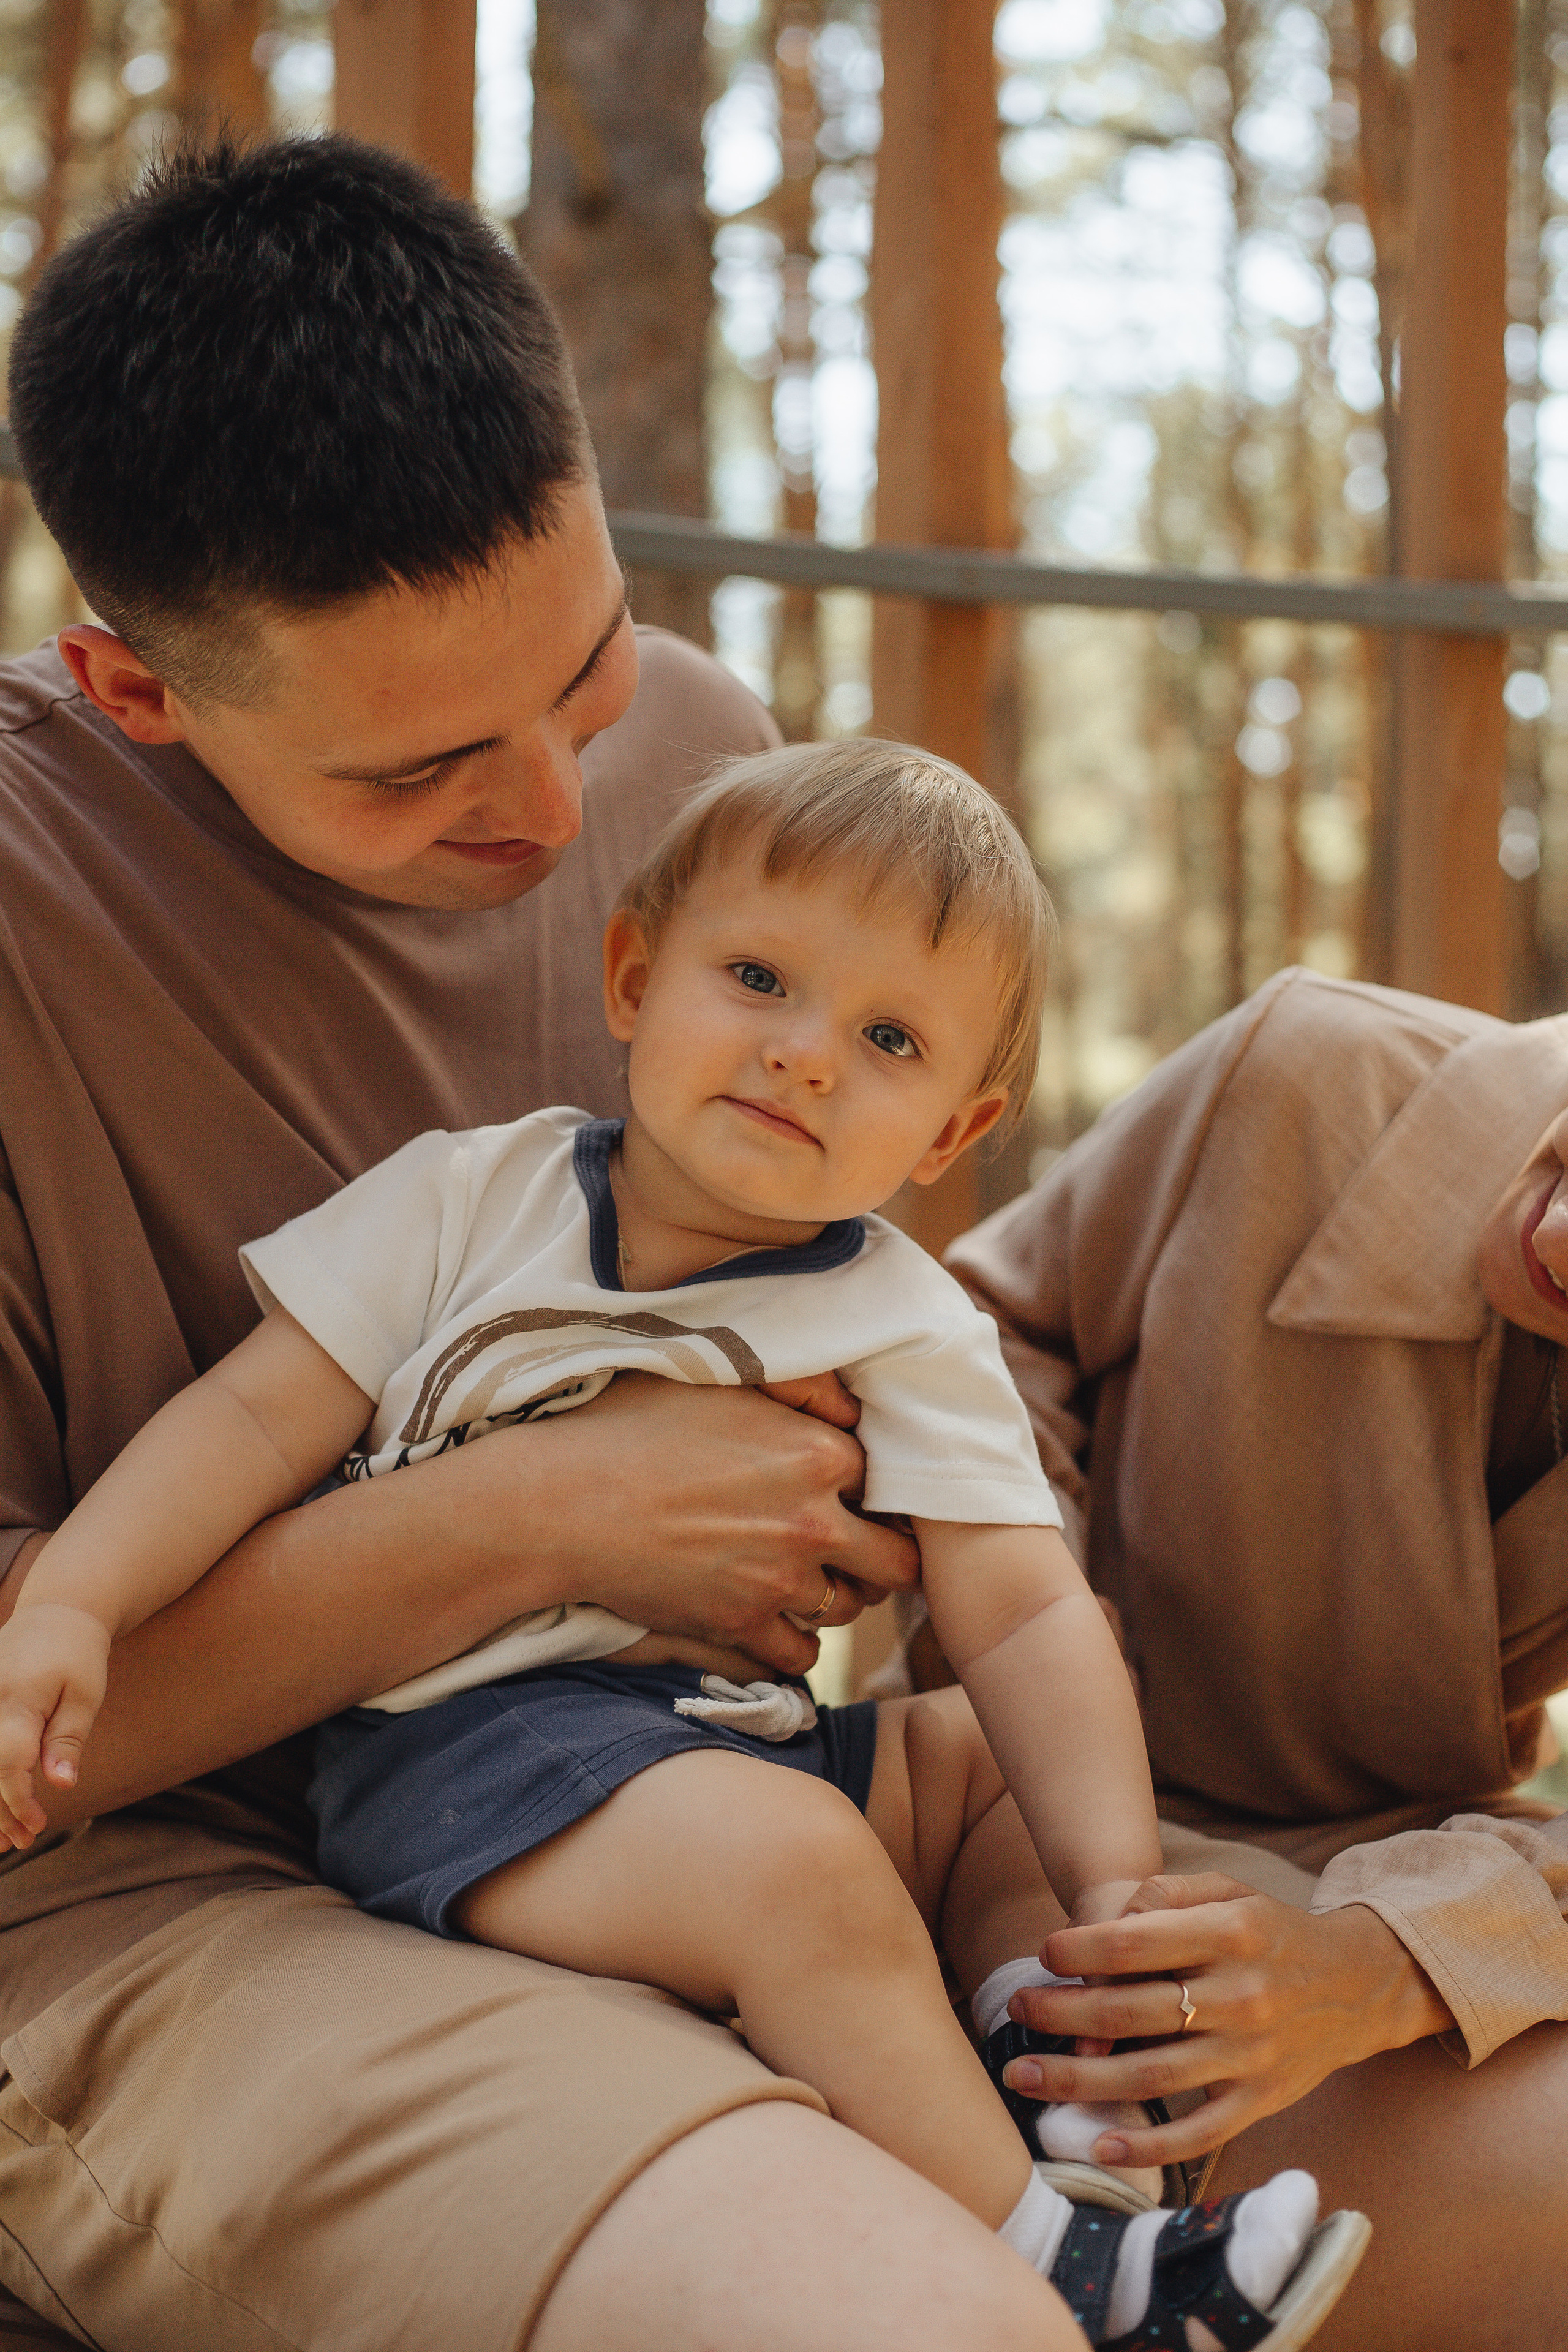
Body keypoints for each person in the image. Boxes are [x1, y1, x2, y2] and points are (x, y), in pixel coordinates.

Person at [0, 131, 1085, 2352]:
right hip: (143, 1914)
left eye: (581, 672)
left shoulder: (701, 758)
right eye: (416, 778)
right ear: (139, 696)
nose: (562, 814)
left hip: (684, 1781)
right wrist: (544, 1511)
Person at [0, 741, 1371, 2350]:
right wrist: (76, 1599)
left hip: (733, 1742)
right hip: (457, 1754)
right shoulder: (469, 1203)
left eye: (886, 1038)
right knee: (799, 1868)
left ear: (953, 1129)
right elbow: (248, 1426)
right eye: (758, 979)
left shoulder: (902, 1319)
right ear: (636, 979)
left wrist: (1113, 1893)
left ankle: (1052, 2065)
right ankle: (1063, 2267)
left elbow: (1019, 1614)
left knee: (976, 1769)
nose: (803, 1057)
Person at [943, 966, 1568, 2350]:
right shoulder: (1305, 1074)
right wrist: (1039, 1640)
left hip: (1377, 1869)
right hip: (1001, 1807)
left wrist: (1381, 1962)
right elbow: (980, 1334)